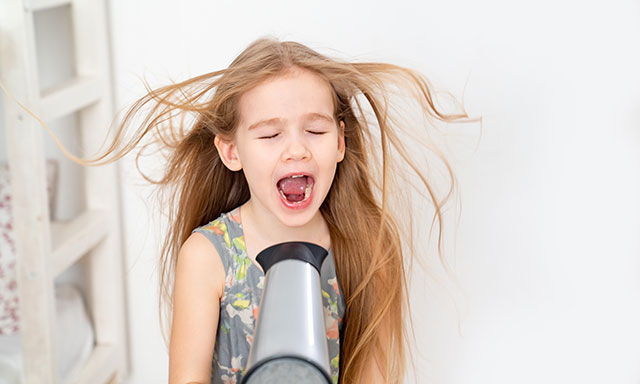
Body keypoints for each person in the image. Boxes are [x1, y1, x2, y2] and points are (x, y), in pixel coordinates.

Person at [63, 36, 474, 383]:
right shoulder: (208, 257)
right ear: (231, 151)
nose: (296, 148)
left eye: (315, 130)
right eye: (270, 134)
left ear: (340, 142)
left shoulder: (368, 246)